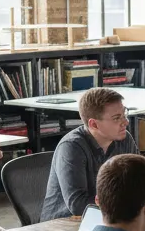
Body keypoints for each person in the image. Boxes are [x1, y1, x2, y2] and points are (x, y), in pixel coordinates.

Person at [40, 87, 138, 221]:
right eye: (116, 118)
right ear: (94, 124)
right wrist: (127, 201)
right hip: (64, 223)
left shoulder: (124, 139)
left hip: (109, 217)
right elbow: (78, 204)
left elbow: (139, 178)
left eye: (124, 114)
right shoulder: (72, 147)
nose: (125, 122)